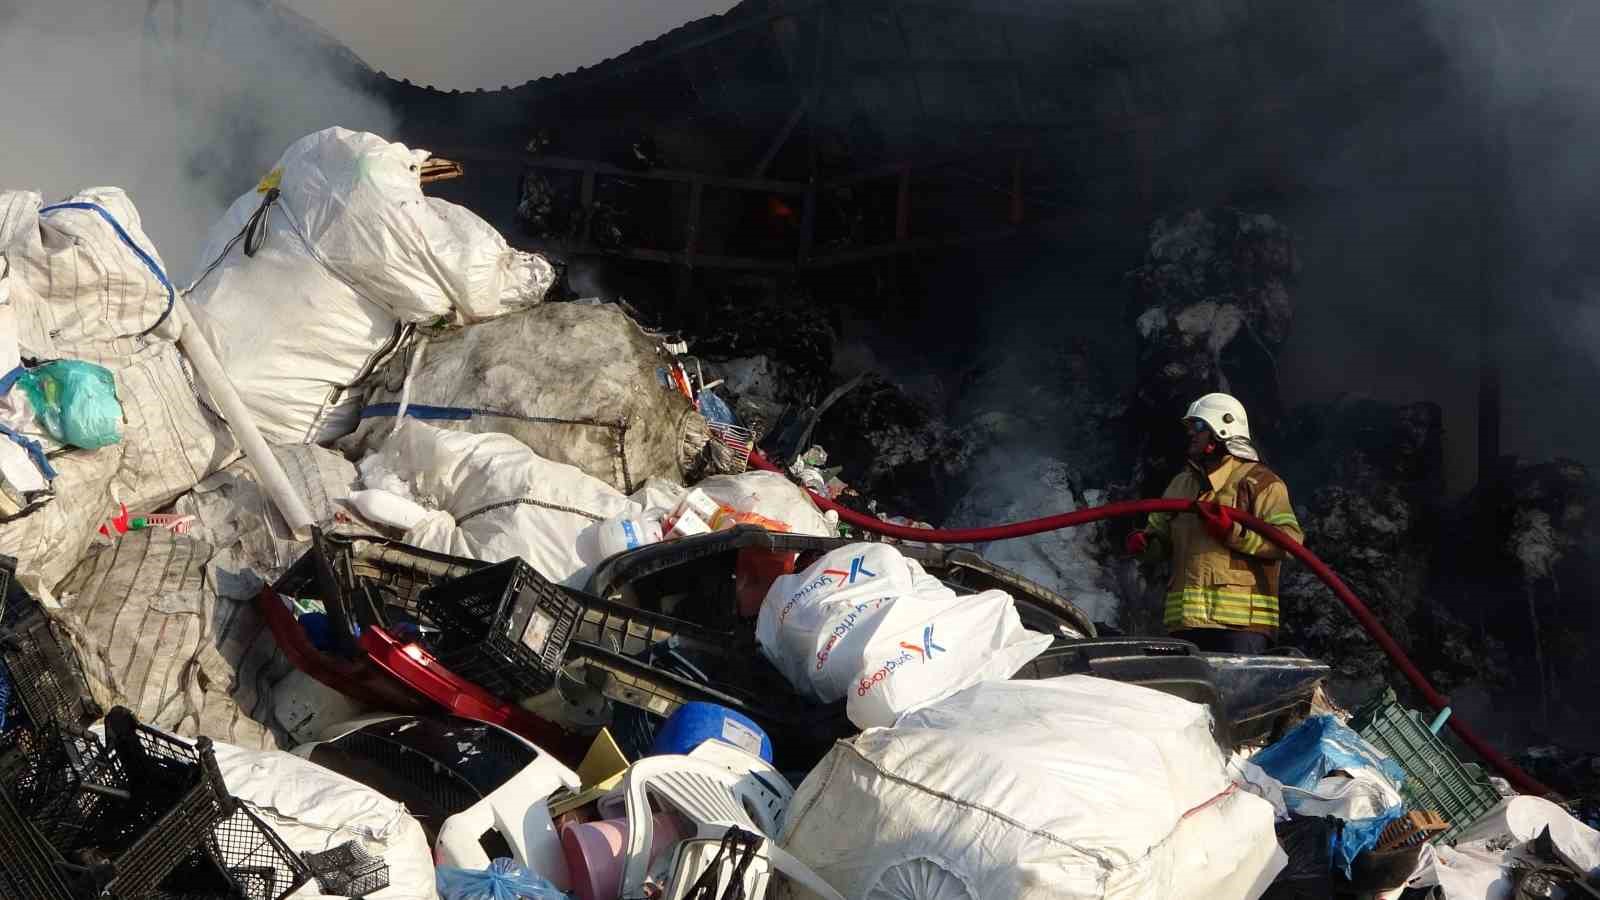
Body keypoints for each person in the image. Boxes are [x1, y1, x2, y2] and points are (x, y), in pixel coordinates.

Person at [1125, 393, 1304, 654]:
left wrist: (1233, 532)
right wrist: (1145, 545)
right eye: (1189, 428)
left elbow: (1290, 543)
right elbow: (1160, 541)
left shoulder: (1260, 483)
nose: (1191, 435)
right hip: (1185, 622)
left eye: (1198, 427)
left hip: (1241, 627)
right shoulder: (1180, 485)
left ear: (1223, 429)